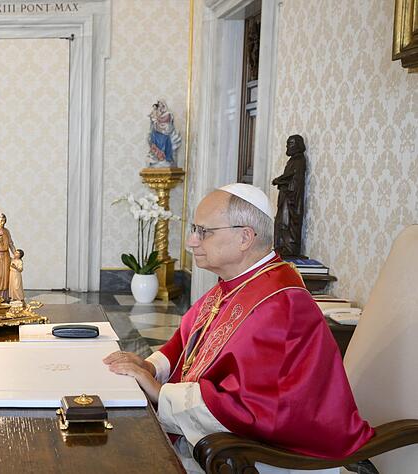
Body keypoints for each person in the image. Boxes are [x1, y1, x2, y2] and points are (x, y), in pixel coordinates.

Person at [103, 183, 372, 473]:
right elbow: (187, 342)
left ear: (245, 237)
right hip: (216, 439)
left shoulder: (280, 304)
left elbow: (254, 406)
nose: (192, 241)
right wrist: (150, 366)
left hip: (267, 457)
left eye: (203, 231)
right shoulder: (235, 284)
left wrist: (159, 392)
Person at [272, 135, 307, 258]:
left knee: (287, 223)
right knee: (281, 222)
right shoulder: (292, 160)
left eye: (290, 144)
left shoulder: (299, 161)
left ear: (297, 145)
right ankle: (281, 246)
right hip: (285, 198)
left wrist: (279, 181)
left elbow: (293, 179)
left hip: (291, 199)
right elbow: (288, 176)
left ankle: (289, 248)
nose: (287, 146)